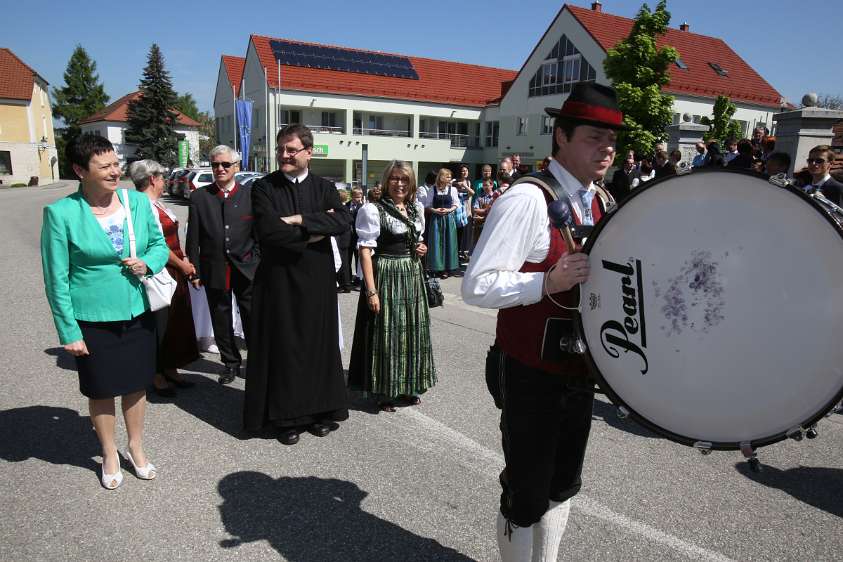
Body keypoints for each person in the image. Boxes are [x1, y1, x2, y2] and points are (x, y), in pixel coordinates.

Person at [462, 82, 621, 562]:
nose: (607, 149)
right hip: (530, 369)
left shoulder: (602, 202)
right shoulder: (526, 199)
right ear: (561, 138)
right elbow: (477, 285)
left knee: (564, 484)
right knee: (526, 495)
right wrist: (545, 282)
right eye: (595, 137)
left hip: (579, 369)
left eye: (612, 140)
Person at [41, 134, 169, 489]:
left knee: (136, 385)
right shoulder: (61, 214)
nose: (116, 172)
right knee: (101, 389)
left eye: (117, 164)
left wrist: (148, 263)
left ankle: (136, 447)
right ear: (81, 171)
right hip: (92, 318)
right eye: (106, 167)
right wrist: (69, 332)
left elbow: (158, 245)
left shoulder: (136, 204)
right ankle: (109, 452)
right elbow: (56, 279)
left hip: (137, 312)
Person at [244, 124, 351, 446]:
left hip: (317, 279)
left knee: (318, 345)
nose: (284, 155)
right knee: (286, 347)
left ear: (308, 152)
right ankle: (286, 418)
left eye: (291, 149)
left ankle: (320, 412)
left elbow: (343, 221)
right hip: (279, 280)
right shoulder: (264, 187)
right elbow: (269, 232)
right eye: (281, 149)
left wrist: (301, 220)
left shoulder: (324, 187)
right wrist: (317, 228)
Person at [348, 160, 435, 411]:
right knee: (387, 332)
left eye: (405, 179)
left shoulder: (417, 208)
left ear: (411, 183)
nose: (399, 184)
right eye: (395, 178)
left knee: (411, 331)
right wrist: (371, 290)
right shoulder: (373, 210)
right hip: (386, 274)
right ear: (387, 181)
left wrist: (421, 248)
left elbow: (417, 242)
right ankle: (385, 390)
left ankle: (408, 386)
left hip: (411, 275)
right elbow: (365, 252)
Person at [186, 146, 258, 385]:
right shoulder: (199, 197)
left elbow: (259, 235)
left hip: (247, 268)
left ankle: (257, 362)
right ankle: (230, 363)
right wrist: (194, 269)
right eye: (215, 165)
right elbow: (193, 237)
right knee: (221, 318)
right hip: (214, 268)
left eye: (225, 165)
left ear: (236, 167)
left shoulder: (251, 194)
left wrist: (257, 260)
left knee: (252, 317)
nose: (220, 169)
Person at [129, 159, 200, 398]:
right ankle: (157, 373)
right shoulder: (145, 206)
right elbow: (157, 244)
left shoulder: (155, 203)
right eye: (161, 177)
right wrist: (182, 264)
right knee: (161, 324)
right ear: (152, 179)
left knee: (175, 321)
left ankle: (170, 367)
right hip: (163, 270)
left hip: (175, 269)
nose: (164, 181)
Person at [424, 167, 459, 278]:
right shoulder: (432, 189)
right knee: (436, 243)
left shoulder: (453, 190)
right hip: (436, 219)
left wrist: (448, 210)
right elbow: (428, 205)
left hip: (448, 219)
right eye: (448, 176)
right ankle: (436, 267)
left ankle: (447, 268)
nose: (450, 179)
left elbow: (456, 204)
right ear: (442, 177)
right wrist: (435, 210)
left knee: (449, 242)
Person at [453, 164, 474, 263]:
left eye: (466, 171)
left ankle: (461, 253)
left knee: (464, 234)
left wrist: (464, 185)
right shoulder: (453, 182)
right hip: (455, 211)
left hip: (465, 210)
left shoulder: (468, 182)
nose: (464, 172)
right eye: (462, 171)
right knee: (456, 234)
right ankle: (455, 254)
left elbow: (472, 193)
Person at [346, 188, 365, 284]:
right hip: (348, 238)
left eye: (360, 196)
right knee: (347, 259)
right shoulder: (346, 205)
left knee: (358, 259)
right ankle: (347, 279)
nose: (359, 198)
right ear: (352, 196)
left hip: (357, 237)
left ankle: (358, 279)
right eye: (357, 196)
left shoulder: (362, 207)